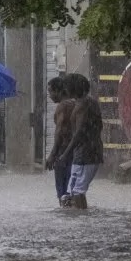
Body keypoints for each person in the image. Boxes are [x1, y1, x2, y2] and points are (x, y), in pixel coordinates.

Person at [57, 73, 104, 209]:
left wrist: (65, 154)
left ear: (72, 87)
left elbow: (79, 133)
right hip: (89, 152)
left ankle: (83, 222)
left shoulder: (83, 105)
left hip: (85, 154)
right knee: (75, 191)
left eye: (66, 86)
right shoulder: (90, 102)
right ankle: (82, 221)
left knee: (77, 192)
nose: (64, 89)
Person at [44, 76, 75, 207]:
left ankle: (65, 213)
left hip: (63, 153)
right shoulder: (75, 103)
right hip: (75, 152)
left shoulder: (63, 106)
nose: (49, 95)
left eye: (50, 91)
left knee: (62, 192)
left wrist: (52, 154)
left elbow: (60, 131)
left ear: (59, 91)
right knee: (72, 190)